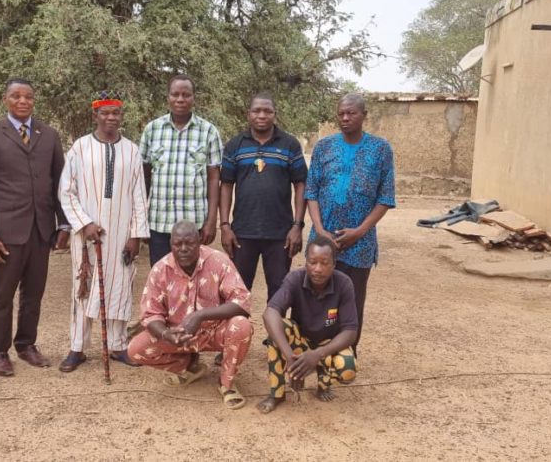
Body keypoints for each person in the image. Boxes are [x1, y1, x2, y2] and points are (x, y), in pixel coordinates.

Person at [0, 78, 69, 376]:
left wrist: (63, 224)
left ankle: (26, 344)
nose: (23, 101)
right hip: (6, 232)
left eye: (28, 96)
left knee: (34, 293)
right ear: (6, 100)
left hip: (41, 230)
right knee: (2, 294)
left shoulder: (49, 135)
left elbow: (60, 183)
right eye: (16, 96)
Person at [57, 91, 149, 372]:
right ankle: (77, 347)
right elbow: (66, 191)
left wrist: (135, 236)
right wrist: (84, 224)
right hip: (87, 237)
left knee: (121, 286)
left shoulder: (132, 150)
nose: (111, 118)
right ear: (95, 115)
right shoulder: (79, 148)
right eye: (105, 113)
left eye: (116, 113)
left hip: (121, 235)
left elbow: (138, 196)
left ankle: (119, 345)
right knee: (82, 288)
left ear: (121, 116)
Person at [128, 221, 253, 410]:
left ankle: (226, 383)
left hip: (214, 332)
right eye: (178, 244)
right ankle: (188, 367)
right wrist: (166, 334)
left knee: (241, 325)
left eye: (190, 243)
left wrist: (200, 316)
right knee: (135, 348)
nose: (183, 249)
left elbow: (241, 302)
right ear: (171, 244)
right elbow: (150, 315)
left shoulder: (218, 261)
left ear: (199, 241)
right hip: (178, 336)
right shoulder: (160, 270)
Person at [305, 92, 395, 354]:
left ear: (364, 115)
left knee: (352, 300)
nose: (345, 118)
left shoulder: (380, 149)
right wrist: (320, 231)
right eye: (341, 113)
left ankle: (345, 354)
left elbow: (385, 197)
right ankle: (316, 352)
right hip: (322, 242)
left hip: (360, 243)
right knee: (317, 297)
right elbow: (311, 192)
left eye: (351, 113)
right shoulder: (324, 147)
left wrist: (359, 231)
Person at [219, 92, 307, 301]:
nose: (262, 115)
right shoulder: (235, 145)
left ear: (274, 114)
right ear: (248, 114)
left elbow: (301, 184)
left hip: (280, 234)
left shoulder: (289, 144)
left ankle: (275, 335)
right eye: (256, 110)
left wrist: (297, 226)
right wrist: (224, 226)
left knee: (279, 294)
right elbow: (226, 186)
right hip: (242, 233)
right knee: (238, 293)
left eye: (267, 111)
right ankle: (237, 333)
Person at [256, 236, 358, 414]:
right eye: (312, 262)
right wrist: (291, 360)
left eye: (324, 263)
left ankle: (323, 382)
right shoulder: (295, 278)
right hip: (300, 342)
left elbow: (350, 331)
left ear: (334, 264)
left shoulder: (344, 283)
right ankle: (277, 393)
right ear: (306, 263)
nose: (317, 269)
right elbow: (270, 313)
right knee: (278, 329)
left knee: (348, 369)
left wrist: (317, 355)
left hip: (327, 344)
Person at [139, 75, 222, 264]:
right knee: (161, 279)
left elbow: (213, 178)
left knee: (193, 281)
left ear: (194, 98)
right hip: (159, 223)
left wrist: (211, 221)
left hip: (195, 224)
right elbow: (143, 179)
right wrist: (141, 221)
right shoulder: (152, 130)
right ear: (168, 97)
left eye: (186, 95)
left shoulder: (208, 131)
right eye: (175, 94)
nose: (180, 99)